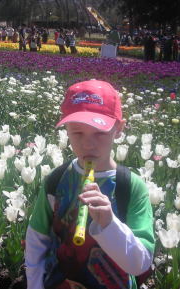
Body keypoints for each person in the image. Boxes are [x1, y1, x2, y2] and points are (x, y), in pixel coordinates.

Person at [25, 80, 155, 289]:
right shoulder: (57, 180)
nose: (87, 144)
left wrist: (109, 224)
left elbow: (139, 264)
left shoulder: (131, 187)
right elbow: (36, 240)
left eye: (100, 133)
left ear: (119, 129)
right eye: (77, 133)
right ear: (66, 129)